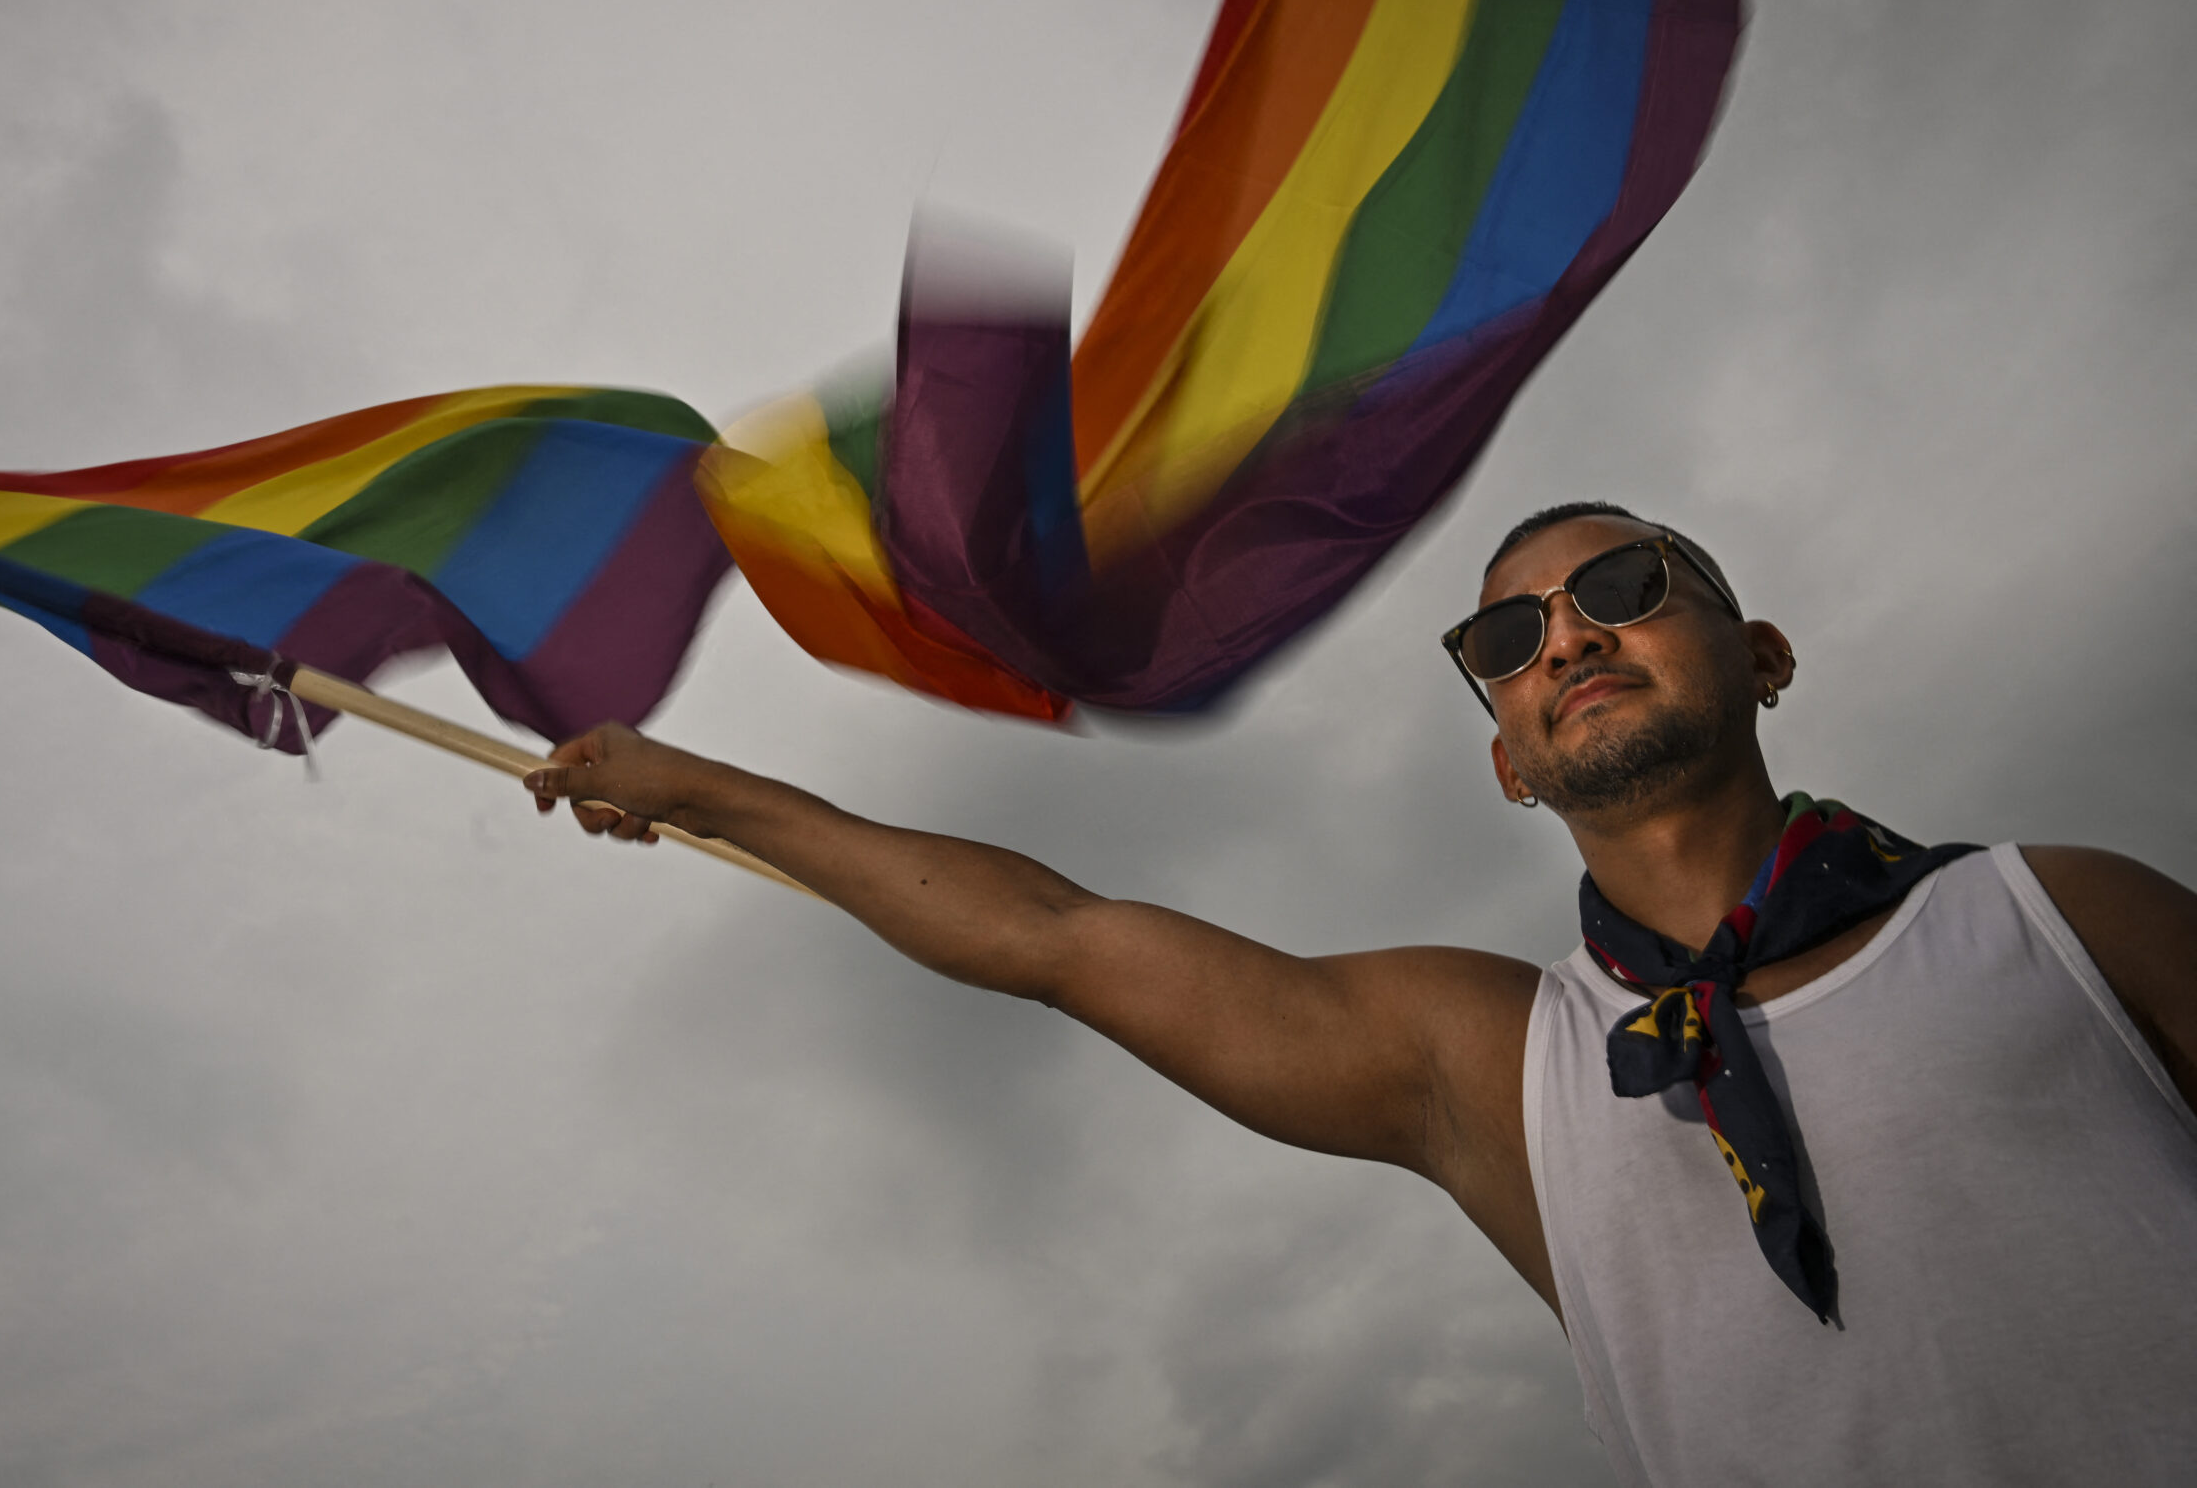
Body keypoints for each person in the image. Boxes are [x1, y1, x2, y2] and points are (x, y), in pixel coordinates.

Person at [521, 502, 2197, 1485]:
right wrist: (711, 794)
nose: (1566, 639)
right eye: (1509, 638)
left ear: (1760, 652)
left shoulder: (2060, 911)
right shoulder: (1489, 1062)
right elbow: (1056, 935)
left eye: (1624, 590)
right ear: (1506, 765)